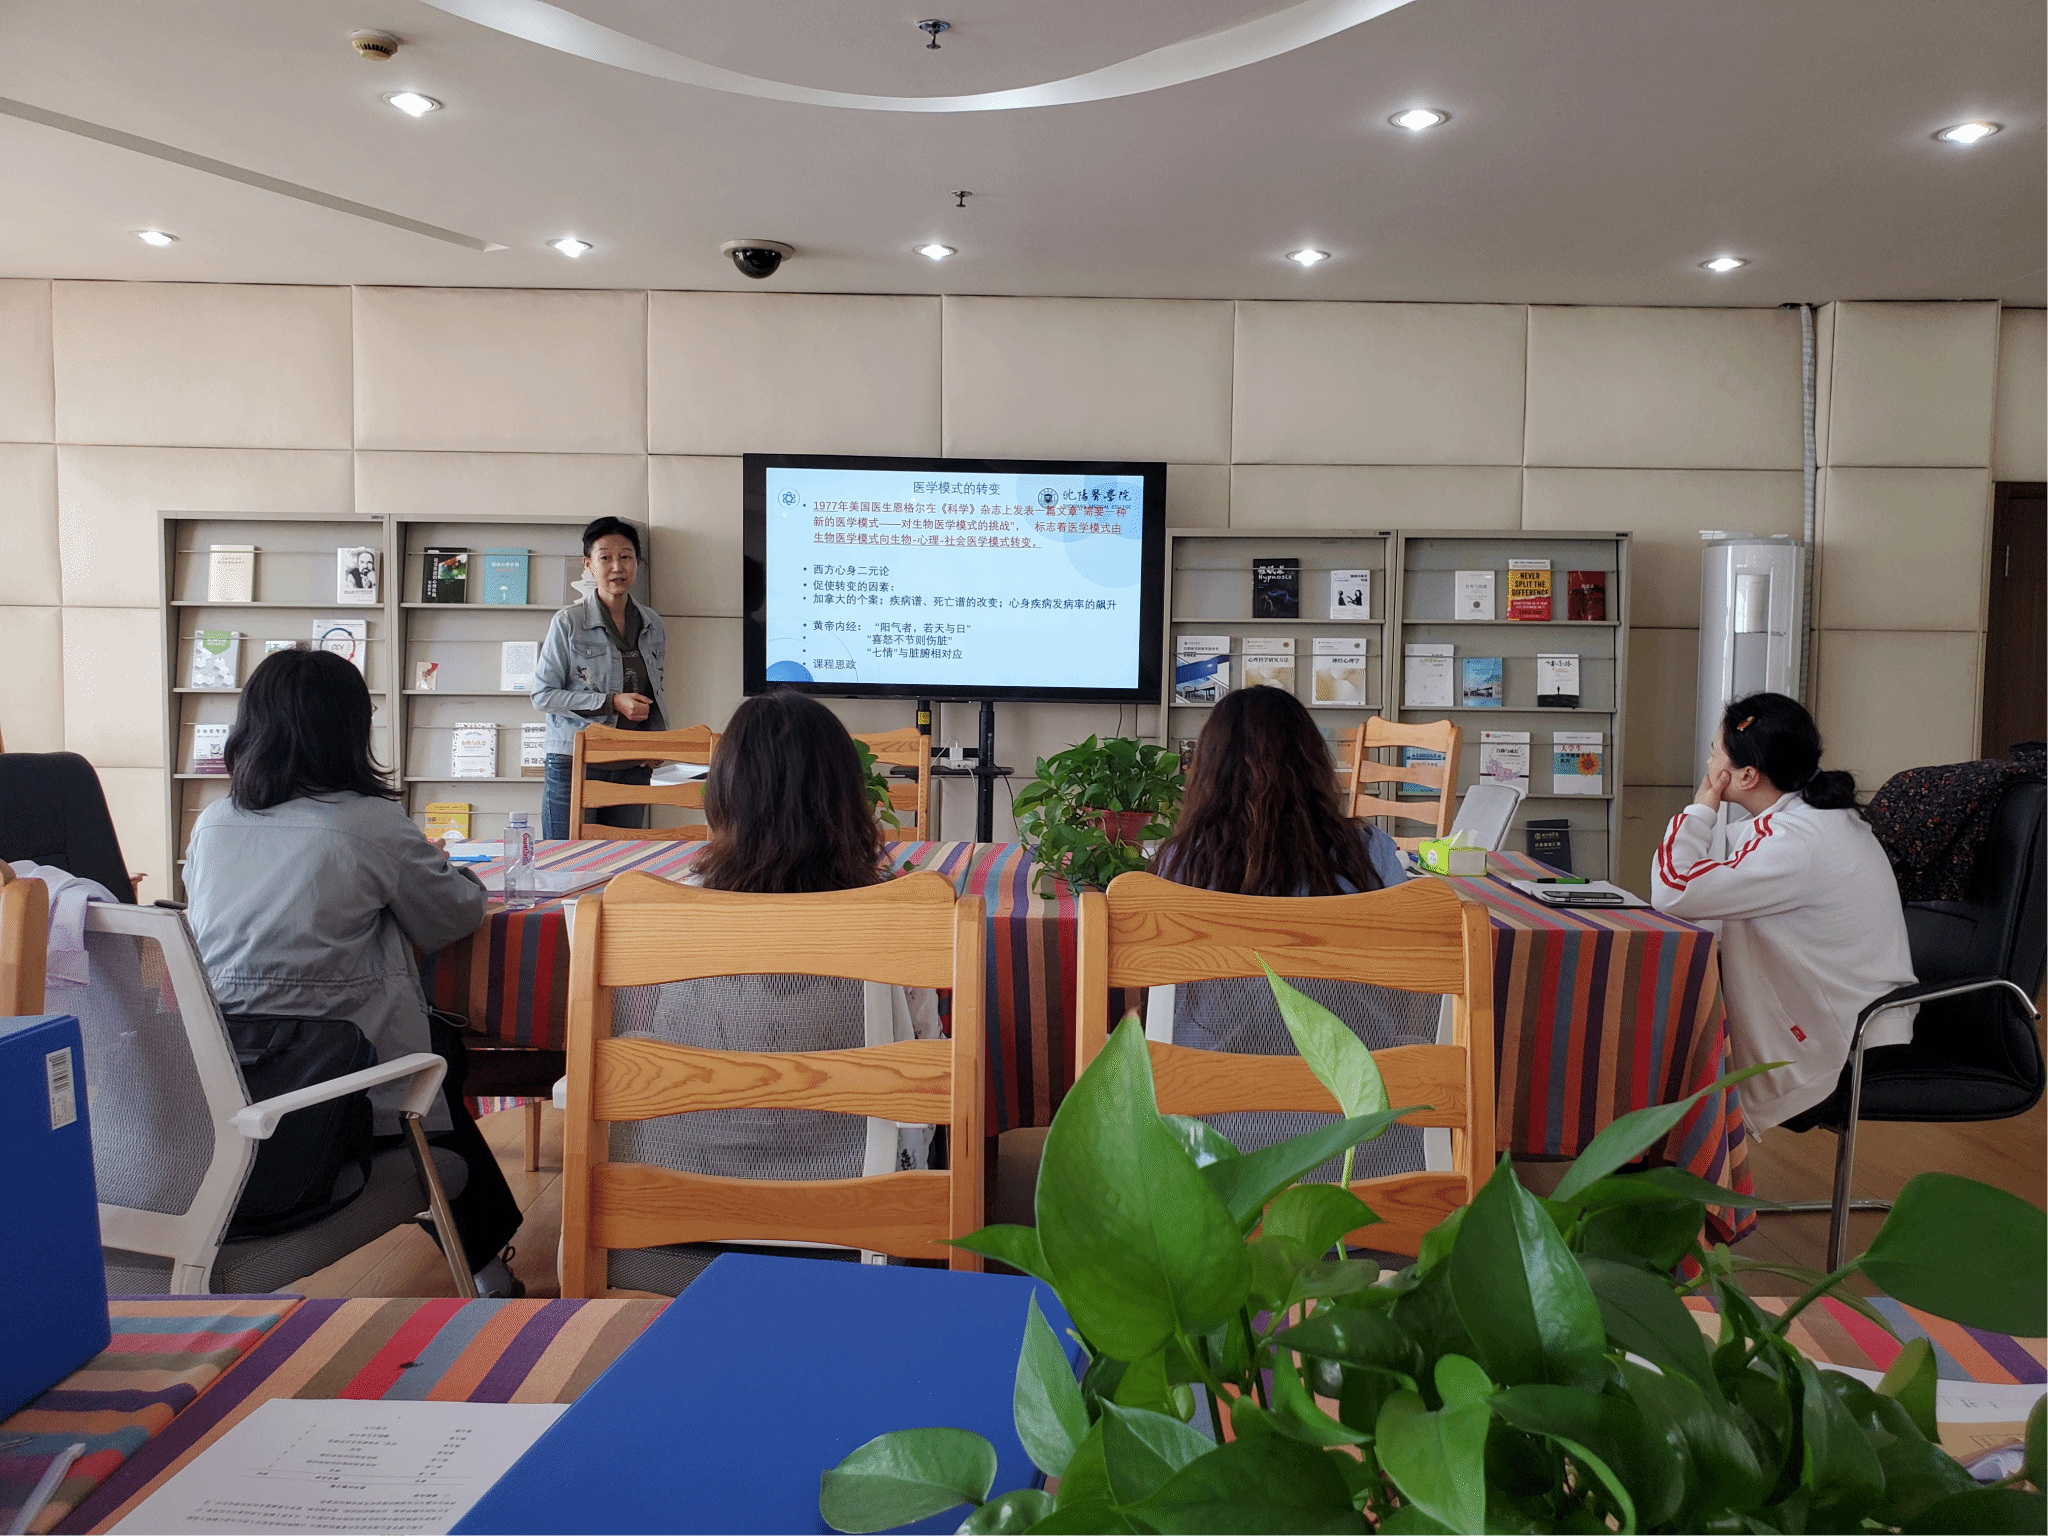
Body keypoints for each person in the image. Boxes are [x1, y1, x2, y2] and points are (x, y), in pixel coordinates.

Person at [183, 647, 524, 1295]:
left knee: (435, 1059)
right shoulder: (369, 824)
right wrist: (449, 872)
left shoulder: (213, 824)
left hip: (231, 1080)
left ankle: (487, 1267)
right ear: (348, 732)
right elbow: (452, 915)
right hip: (339, 1086)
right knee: (441, 1056)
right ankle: (486, 1268)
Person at [604, 690, 940, 1295]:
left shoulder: (654, 914)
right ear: (848, 796)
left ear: (721, 794)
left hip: (669, 1229)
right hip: (855, 1237)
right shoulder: (897, 920)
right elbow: (924, 1079)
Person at [1149, 686, 1431, 1182]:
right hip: (1359, 1141)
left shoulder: (1181, 864)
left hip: (1213, 1143)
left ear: (1206, 771)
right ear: (1313, 763)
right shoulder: (1371, 853)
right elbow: (1411, 982)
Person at [1650, 691, 1917, 1131]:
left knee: (1661, 1047)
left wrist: (1699, 810)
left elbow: (1673, 891)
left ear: (1748, 775)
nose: (1709, 760)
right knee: (1673, 1032)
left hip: (1845, 1043)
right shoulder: (1814, 820)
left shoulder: (1795, 842)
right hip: (1850, 1014)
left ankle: (1680, 1168)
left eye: (1715, 751)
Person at [532, 517, 668, 839]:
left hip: (632, 763)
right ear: (589, 565)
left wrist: (655, 742)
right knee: (567, 860)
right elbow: (543, 695)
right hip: (576, 761)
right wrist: (611, 702)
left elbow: (655, 692)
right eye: (605, 557)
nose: (617, 567)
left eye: (626, 557)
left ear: (637, 562)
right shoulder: (568, 622)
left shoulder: (652, 623)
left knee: (621, 860)